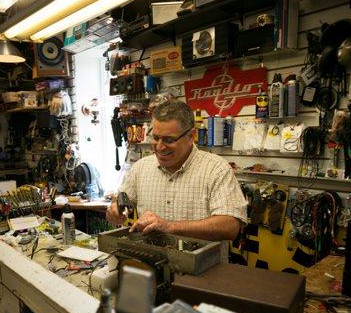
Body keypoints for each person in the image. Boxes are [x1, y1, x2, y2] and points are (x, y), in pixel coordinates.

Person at [106, 100, 247, 241]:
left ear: (191, 136)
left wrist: (170, 227)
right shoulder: (140, 168)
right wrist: (115, 211)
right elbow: (119, 203)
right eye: (155, 137)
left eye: (169, 140)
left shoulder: (216, 169)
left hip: (202, 262)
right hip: (150, 260)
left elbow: (230, 227)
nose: (160, 147)